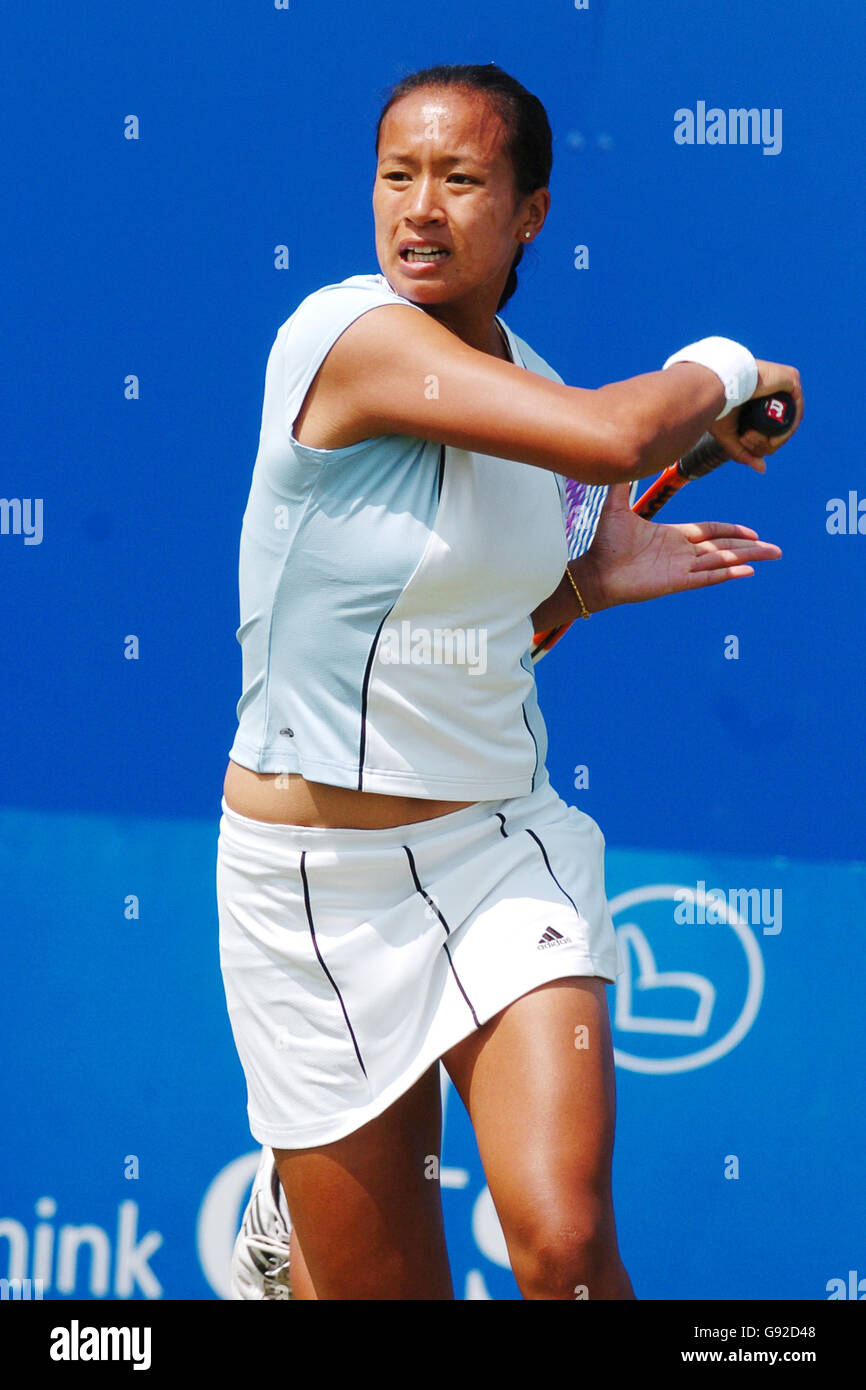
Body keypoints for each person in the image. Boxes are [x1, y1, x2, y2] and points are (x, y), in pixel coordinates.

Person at [217, 61, 802, 1301]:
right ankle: (296, 1209)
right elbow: (611, 437)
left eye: (461, 178)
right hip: (312, 895)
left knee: (565, 1246)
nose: (419, 206)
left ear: (530, 210)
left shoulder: (532, 391)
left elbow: (503, 626)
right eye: (397, 175)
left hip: (496, 845)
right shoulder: (344, 338)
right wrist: (725, 362)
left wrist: (586, 584)